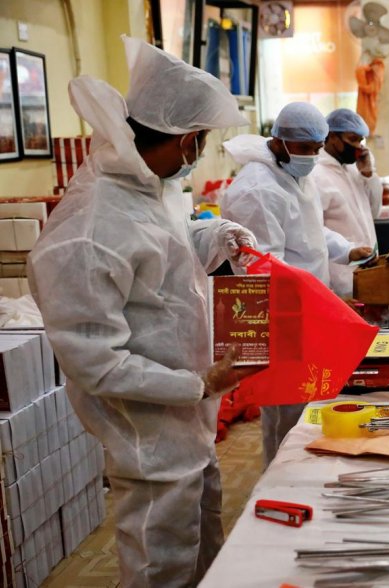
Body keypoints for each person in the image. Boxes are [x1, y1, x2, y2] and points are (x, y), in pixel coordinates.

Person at [27, 37, 260, 587]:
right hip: (148, 434)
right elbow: (97, 364)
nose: (202, 150)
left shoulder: (151, 188)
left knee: (203, 550)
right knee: (161, 564)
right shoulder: (90, 232)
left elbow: (168, 265)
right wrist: (199, 382)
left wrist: (216, 236)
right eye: (202, 139)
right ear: (185, 139)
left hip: (188, 422)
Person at [219, 103, 373, 466]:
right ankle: (281, 479)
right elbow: (263, 264)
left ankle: (293, 472)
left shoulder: (292, 176)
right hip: (277, 312)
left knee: (303, 403)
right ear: (279, 141)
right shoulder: (256, 189)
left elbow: (309, 232)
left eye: (317, 148)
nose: (312, 156)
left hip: (304, 305)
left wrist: (347, 250)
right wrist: (324, 303)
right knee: (285, 407)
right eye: (305, 148)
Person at [311, 108, 382, 298]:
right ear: (333, 136)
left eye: (361, 140)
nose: (358, 146)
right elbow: (314, 230)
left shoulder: (352, 170)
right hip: (340, 277)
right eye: (353, 139)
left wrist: (369, 175)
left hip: (367, 271)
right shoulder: (316, 175)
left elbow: (374, 211)